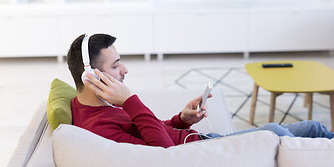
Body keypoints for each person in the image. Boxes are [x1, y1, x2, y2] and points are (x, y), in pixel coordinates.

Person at [67, 33, 334, 148]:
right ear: (92, 77)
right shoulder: (97, 127)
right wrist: (129, 100)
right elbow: (163, 154)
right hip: (204, 150)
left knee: (313, 128)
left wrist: (180, 120)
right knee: (276, 132)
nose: (124, 70)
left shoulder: (93, 105)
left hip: (197, 138)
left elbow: (147, 131)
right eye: (115, 65)